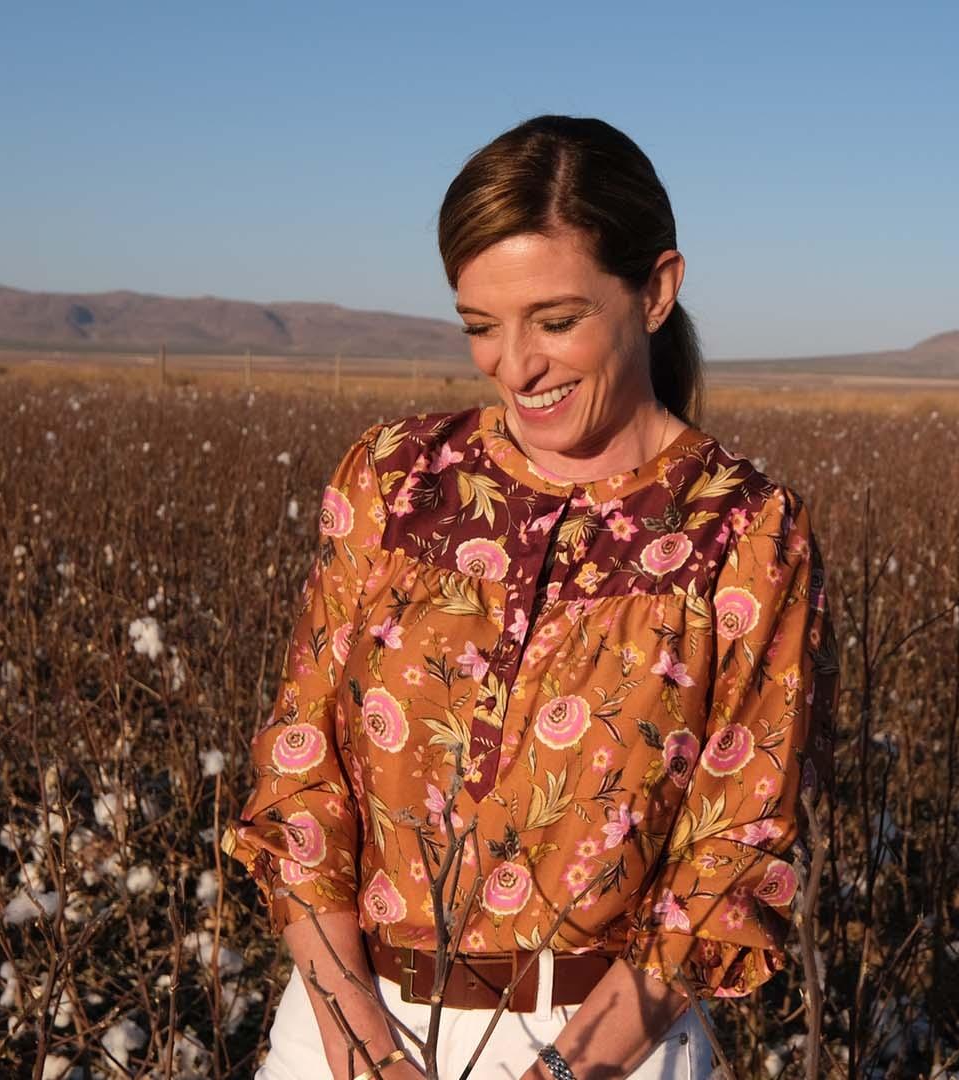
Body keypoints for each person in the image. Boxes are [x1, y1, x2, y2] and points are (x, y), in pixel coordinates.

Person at [221, 115, 840, 1080]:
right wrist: (360, 1045)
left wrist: (562, 1072)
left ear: (656, 291)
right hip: (343, 1029)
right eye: (480, 326)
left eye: (555, 321)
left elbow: (730, 855)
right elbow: (301, 777)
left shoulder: (745, 532)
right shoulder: (395, 478)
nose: (514, 366)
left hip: (608, 1052)